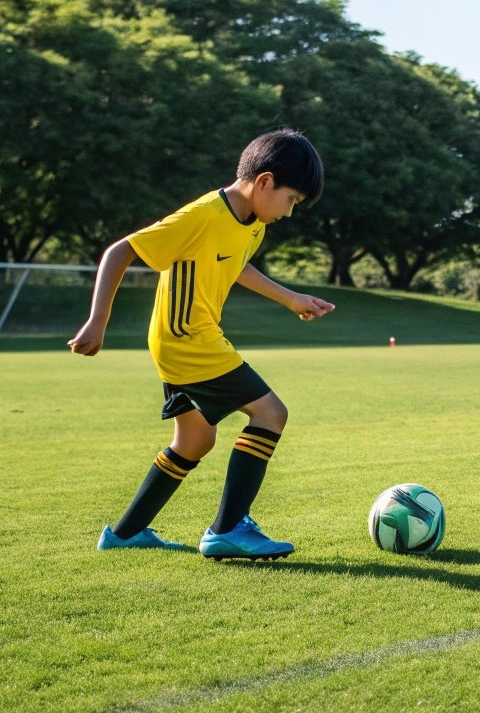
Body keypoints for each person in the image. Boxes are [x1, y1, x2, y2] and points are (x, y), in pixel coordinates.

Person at [69, 128, 335, 560]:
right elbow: (120, 251)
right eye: (291, 200)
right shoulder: (203, 214)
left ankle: (125, 533)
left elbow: (238, 266)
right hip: (188, 340)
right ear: (264, 182)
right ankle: (228, 529)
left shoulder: (252, 224)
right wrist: (98, 322)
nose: (289, 212)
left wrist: (291, 298)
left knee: (194, 441)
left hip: (184, 340)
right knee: (271, 413)